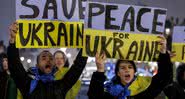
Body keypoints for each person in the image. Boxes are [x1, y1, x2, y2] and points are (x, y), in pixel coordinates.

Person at [7, 22, 87, 99]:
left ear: (54, 65)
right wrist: (12, 41)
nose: (48, 60)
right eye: (44, 58)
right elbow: (14, 65)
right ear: (37, 65)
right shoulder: (27, 84)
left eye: (51, 58)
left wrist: (86, 45)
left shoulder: (61, 86)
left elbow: (77, 67)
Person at [88, 35, 173, 99]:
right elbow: (94, 96)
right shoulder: (109, 90)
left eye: (130, 67)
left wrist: (163, 53)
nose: (127, 70)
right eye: (122, 68)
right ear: (118, 73)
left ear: (134, 72)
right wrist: (100, 69)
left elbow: (164, 78)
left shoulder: (145, 88)